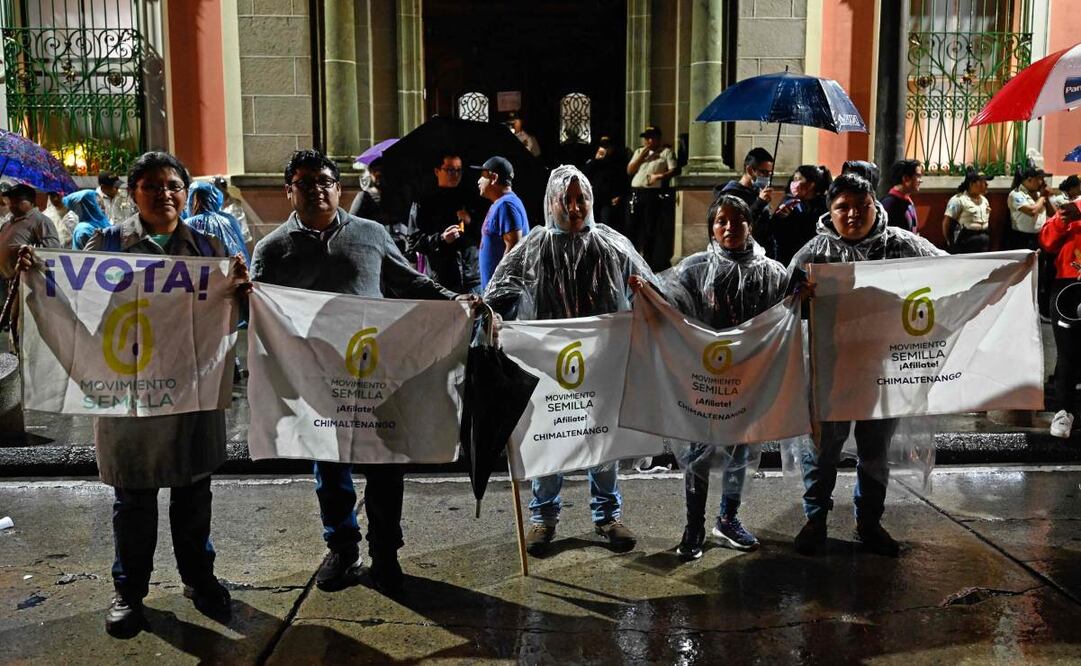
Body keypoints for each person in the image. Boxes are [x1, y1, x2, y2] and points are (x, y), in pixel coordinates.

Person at [19, 152, 243, 637]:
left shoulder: (207, 248)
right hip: (130, 391)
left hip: (190, 388)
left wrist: (241, 293)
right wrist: (40, 273)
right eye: (152, 186)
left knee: (194, 494)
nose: (165, 194)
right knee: (133, 499)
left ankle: (200, 580)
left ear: (186, 191)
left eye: (174, 185)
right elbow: (79, 305)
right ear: (132, 192)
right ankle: (129, 592)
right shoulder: (105, 244)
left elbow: (229, 317)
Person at [251, 149, 475, 595]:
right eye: (304, 183)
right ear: (289, 191)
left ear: (339, 188)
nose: (316, 190)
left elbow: (409, 281)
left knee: (385, 466)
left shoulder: (370, 234)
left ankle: (386, 552)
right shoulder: (272, 250)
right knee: (330, 470)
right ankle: (342, 548)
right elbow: (259, 310)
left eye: (324, 181)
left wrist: (455, 301)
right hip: (317, 380)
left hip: (374, 372)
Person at [485, 165, 655, 556]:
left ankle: (608, 516)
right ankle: (543, 518)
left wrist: (644, 294)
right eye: (567, 200)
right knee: (549, 435)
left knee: (603, 438)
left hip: (601, 362)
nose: (575, 208)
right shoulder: (534, 246)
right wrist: (489, 316)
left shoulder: (610, 244)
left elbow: (649, 290)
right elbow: (498, 293)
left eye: (582, 199)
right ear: (551, 203)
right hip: (548, 364)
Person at [789, 173, 945, 558]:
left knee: (875, 450)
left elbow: (950, 272)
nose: (853, 214)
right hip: (830, 370)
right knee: (822, 449)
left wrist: (1008, 268)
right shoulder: (814, 253)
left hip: (883, 370)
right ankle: (815, 520)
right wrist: (798, 297)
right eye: (843, 207)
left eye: (862, 206)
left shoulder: (902, 245)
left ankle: (870, 522)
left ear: (875, 206)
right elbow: (782, 306)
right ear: (830, 211)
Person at [653, 194, 791, 560]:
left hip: (748, 379)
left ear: (750, 225)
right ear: (711, 228)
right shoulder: (693, 268)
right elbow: (669, 302)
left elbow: (787, 312)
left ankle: (728, 518)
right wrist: (645, 292)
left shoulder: (771, 272)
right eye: (721, 221)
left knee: (740, 452)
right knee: (697, 453)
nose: (729, 227)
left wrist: (801, 296)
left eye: (737, 220)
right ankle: (693, 526)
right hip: (705, 378)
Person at [407, 153, 485, 293]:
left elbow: (486, 232)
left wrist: (470, 221)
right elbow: (414, 241)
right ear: (437, 171)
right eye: (450, 170)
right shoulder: (424, 203)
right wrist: (441, 238)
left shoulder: (472, 198)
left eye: (458, 170)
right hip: (443, 279)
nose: (455, 174)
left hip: (473, 278)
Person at [1039, 201, 1081, 438]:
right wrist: (1062, 220)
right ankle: (1063, 412)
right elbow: (1047, 242)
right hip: (1068, 284)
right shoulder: (1072, 208)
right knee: (1067, 350)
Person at [755, 164, 832, 265]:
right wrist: (780, 217)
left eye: (798, 179)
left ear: (811, 184)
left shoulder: (824, 206)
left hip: (814, 261)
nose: (793, 183)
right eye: (793, 179)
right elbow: (773, 231)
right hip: (787, 260)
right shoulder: (788, 202)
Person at [626, 125, 678, 269]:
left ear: (658, 138)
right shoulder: (639, 151)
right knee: (633, 226)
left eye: (651, 138)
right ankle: (633, 258)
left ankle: (648, 259)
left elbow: (673, 170)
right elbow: (630, 170)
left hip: (652, 194)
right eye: (646, 138)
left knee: (650, 228)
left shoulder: (666, 152)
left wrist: (659, 176)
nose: (648, 141)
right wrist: (642, 155)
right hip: (636, 192)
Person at [475, 155, 529, 289]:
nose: (479, 181)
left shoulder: (507, 205)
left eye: (483, 176)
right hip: (493, 293)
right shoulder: (501, 204)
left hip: (501, 295)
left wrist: (497, 288)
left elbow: (514, 249)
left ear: (494, 178)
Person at [1009, 164, 1056, 317]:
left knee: (1040, 274)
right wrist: (1042, 196)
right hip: (1023, 239)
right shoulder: (1016, 194)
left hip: (1039, 238)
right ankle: (1020, 310)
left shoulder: (1038, 194)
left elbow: (1053, 213)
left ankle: (1037, 309)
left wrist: (1046, 197)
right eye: (1039, 179)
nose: (1041, 182)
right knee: (1023, 275)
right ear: (1029, 180)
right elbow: (1032, 211)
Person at [0, 183, 60, 279]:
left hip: (23, 281)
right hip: (3, 280)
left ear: (31, 201)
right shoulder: (7, 224)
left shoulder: (41, 221)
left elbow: (52, 251)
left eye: (18, 200)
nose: (13, 204)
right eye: (11, 200)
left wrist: (29, 254)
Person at [184, 181, 250, 263]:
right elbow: (241, 249)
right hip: (228, 268)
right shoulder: (229, 220)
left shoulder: (187, 224)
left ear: (190, 200)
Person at [582, 136, 628, 231]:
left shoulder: (618, 162)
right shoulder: (595, 162)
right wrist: (596, 159)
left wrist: (620, 195)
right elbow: (585, 174)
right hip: (595, 198)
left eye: (607, 147)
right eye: (602, 147)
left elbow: (622, 179)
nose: (604, 150)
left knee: (606, 224)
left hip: (609, 200)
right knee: (592, 224)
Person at [942, 169, 993, 254]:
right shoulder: (958, 200)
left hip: (983, 241)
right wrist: (949, 241)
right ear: (971, 184)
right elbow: (946, 223)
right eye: (982, 182)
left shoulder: (984, 200)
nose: (986, 184)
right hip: (966, 241)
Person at [881, 159, 923, 233]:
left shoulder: (907, 202)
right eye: (918, 176)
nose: (920, 180)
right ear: (906, 178)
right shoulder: (889, 204)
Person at [212, 176, 254, 248]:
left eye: (217, 188)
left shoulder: (235, 206)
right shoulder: (212, 205)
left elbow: (243, 232)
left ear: (224, 189)